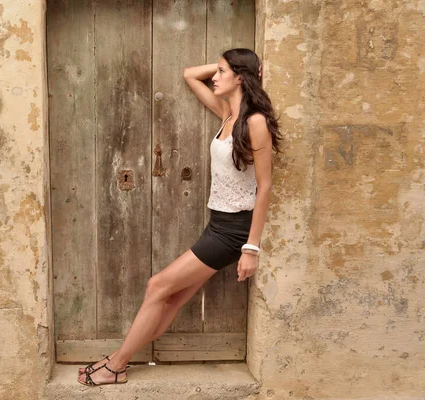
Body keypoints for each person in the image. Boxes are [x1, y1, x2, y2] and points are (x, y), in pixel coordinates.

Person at [78, 48, 282, 386]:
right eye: (216, 71)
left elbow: (265, 186)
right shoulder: (227, 113)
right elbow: (190, 74)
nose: (214, 76)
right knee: (170, 298)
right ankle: (118, 362)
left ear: (240, 77)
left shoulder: (255, 122)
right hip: (217, 223)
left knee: (157, 286)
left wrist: (251, 248)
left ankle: (117, 366)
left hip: (232, 232)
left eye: (221, 71)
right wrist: (243, 68)